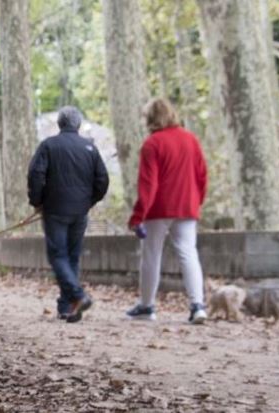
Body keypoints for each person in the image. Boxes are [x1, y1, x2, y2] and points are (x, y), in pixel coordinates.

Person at [126, 98, 209, 324]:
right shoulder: (191, 139)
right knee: (188, 253)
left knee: (152, 255)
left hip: (159, 208)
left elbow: (148, 184)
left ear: (151, 119)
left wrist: (138, 215)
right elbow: (202, 175)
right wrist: (196, 201)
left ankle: (147, 306)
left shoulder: (152, 144)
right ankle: (197, 305)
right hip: (187, 206)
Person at [27, 106, 110, 323]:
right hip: (80, 211)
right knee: (71, 256)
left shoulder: (48, 146)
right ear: (78, 124)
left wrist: (37, 201)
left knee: (58, 255)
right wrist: (89, 201)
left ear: (60, 123)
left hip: (55, 210)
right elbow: (102, 180)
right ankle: (68, 307)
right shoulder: (89, 147)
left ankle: (77, 296)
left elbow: (35, 174)